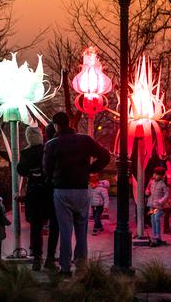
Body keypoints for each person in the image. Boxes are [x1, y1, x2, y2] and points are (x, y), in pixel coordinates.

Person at [43, 111, 111, 276]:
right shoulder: (85, 140)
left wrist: (53, 178)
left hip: (62, 190)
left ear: (56, 125)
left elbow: (47, 170)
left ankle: (65, 268)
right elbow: (105, 156)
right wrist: (90, 169)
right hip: (81, 189)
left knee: (65, 231)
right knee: (81, 229)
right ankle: (81, 265)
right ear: (69, 123)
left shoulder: (52, 144)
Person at [17, 126, 59, 271]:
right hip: (49, 190)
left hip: (34, 192)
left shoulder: (26, 153)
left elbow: (21, 170)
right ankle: (50, 257)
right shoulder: (47, 149)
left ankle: (37, 258)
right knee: (54, 224)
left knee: (36, 227)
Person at [146, 166, 169, 247]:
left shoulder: (163, 184)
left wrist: (161, 201)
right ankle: (154, 235)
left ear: (161, 176)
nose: (155, 175)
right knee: (152, 219)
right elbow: (147, 190)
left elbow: (167, 194)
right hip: (151, 205)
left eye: (157, 174)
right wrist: (147, 192)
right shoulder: (151, 182)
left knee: (156, 219)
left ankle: (157, 236)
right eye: (155, 173)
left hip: (157, 206)